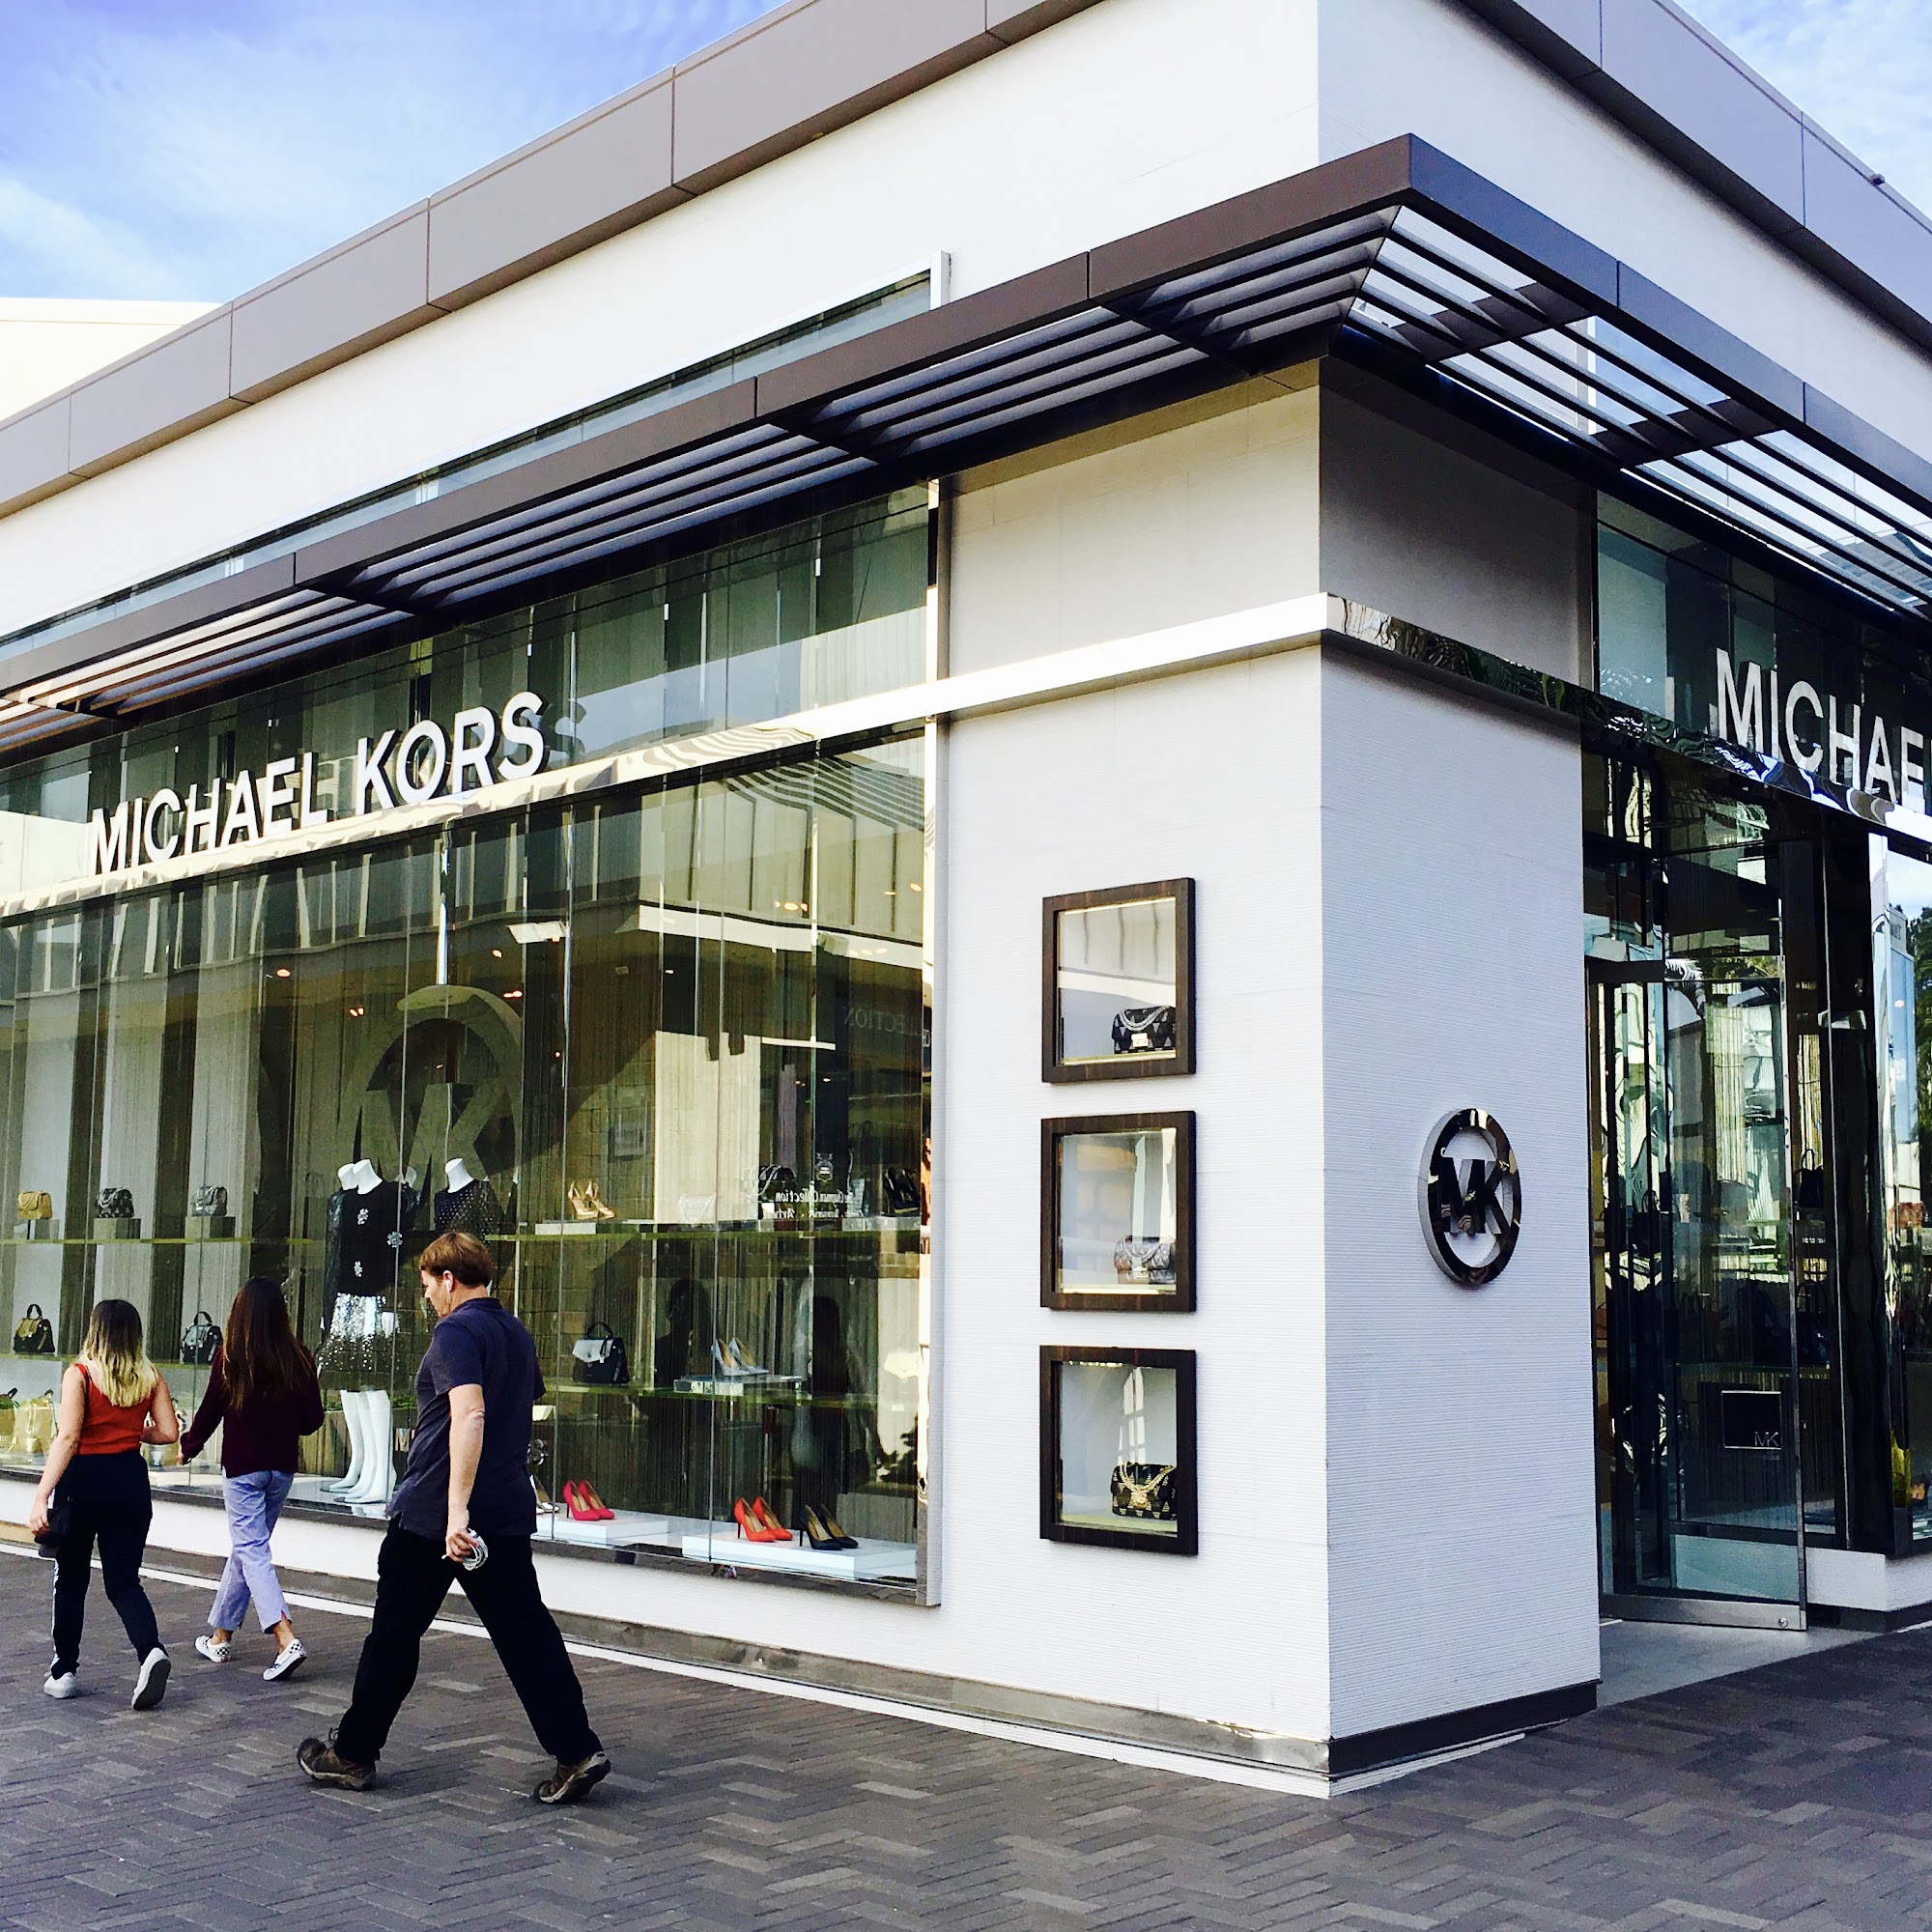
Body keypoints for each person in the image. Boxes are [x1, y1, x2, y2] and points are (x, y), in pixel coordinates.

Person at [298, 1231, 610, 1804]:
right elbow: (518, 1412)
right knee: (526, 1633)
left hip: (437, 1515)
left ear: (448, 1279)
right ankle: (576, 1750)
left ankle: (353, 1754)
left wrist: (456, 1512)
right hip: (503, 1508)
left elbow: (471, 1414)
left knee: (394, 1633)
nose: (426, 1297)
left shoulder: (456, 1332)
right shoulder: (515, 1332)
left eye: (427, 1286)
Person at [27, 1298, 179, 1709]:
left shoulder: (79, 1375)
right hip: (130, 1481)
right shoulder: (149, 1376)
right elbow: (168, 1432)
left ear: (95, 1330)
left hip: (82, 1483)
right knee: (124, 1582)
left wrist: (41, 1495)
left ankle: (64, 1672)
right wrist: (132, 1431)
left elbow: (68, 1438)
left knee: (71, 1577)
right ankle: (151, 1651)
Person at [179, 1276, 326, 1682]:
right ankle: (220, 1637)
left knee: (253, 1550)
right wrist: (284, 1419)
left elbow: (210, 1410)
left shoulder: (232, 1356)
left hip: (243, 1469)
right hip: (281, 1469)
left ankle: (285, 1638)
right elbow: (313, 1419)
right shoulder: (298, 1357)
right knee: (247, 1549)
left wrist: (189, 1446)